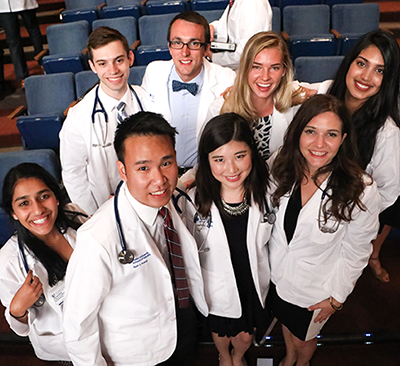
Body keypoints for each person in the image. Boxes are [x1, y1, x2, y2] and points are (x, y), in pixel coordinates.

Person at [63, 112, 208, 366]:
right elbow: (78, 325)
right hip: (137, 353)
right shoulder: (97, 239)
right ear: (123, 170)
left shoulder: (170, 201)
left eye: (166, 163)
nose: (159, 180)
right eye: (143, 168)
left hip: (183, 324)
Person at [268, 95, 380, 366]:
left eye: (330, 134)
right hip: (277, 275)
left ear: (343, 138)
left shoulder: (361, 188)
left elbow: (357, 251)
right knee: (287, 324)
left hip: (315, 289)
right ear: (298, 133)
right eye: (311, 132)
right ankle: (290, 358)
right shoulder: (280, 165)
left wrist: (337, 298)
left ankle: (301, 362)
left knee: (304, 337)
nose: (319, 144)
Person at [305, 29, 400, 282]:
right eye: (361, 64)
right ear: (349, 63)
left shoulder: (386, 132)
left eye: (379, 70)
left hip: (342, 220)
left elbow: (387, 194)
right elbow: (297, 91)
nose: (366, 77)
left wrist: (352, 217)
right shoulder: (327, 91)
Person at [180, 113, 272, 366]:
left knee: (245, 333)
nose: (231, 169)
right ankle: (224, 356)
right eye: (219, 159)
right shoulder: (192, 199)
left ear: (251, 153)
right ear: (207, 161)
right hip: (217, 282)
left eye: (239, 156)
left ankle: (238, 356)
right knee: (220, 330)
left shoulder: (268, 191)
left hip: (251, 279)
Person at [0, 163, 87, 363]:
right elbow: (22, 326)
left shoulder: (78, 218)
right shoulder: (8, 262)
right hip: (70, 348)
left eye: (43, 196)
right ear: (13, 212)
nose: (38, 210)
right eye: (24, 204)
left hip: (113, 327)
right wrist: (17, 309)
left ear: (56, 198)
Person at [59, 26, 149, 215]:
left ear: (130, 59)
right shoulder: (78, 117)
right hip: (104, 210)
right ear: (92, 66)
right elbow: (73, 173)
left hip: (151, 199)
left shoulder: (151, 101)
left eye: (119, 60)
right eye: (102, 63)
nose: (113, 70)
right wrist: (95, 215)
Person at [141, 11, 236, 170]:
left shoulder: (226, 78)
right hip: (162, 172)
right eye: (178, 43)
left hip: (206, 174)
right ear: (169, 47)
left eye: (194, 43)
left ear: (206, 49)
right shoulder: (153, 72)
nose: (184, 52)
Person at [208, 31, 308, 162]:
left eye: (274, 68)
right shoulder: (219, 108)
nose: (265, 77)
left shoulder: (296, 106)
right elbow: (207, 159)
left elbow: (331, 85)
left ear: (284, 70)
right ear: (245, 68)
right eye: (256, 67)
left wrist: (311, 92)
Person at [209, 0, 272, 70]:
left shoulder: (252, 3)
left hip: (246, 72)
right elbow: (227, 26)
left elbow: (247, 51)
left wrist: (213, 57)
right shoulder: (236, 1)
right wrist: (213, 27)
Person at [0, 0, 43, 85]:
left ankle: (43, 63)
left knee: (33, 30)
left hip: (25, 2)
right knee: (13, 40)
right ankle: (22, 75)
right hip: (4, 6)